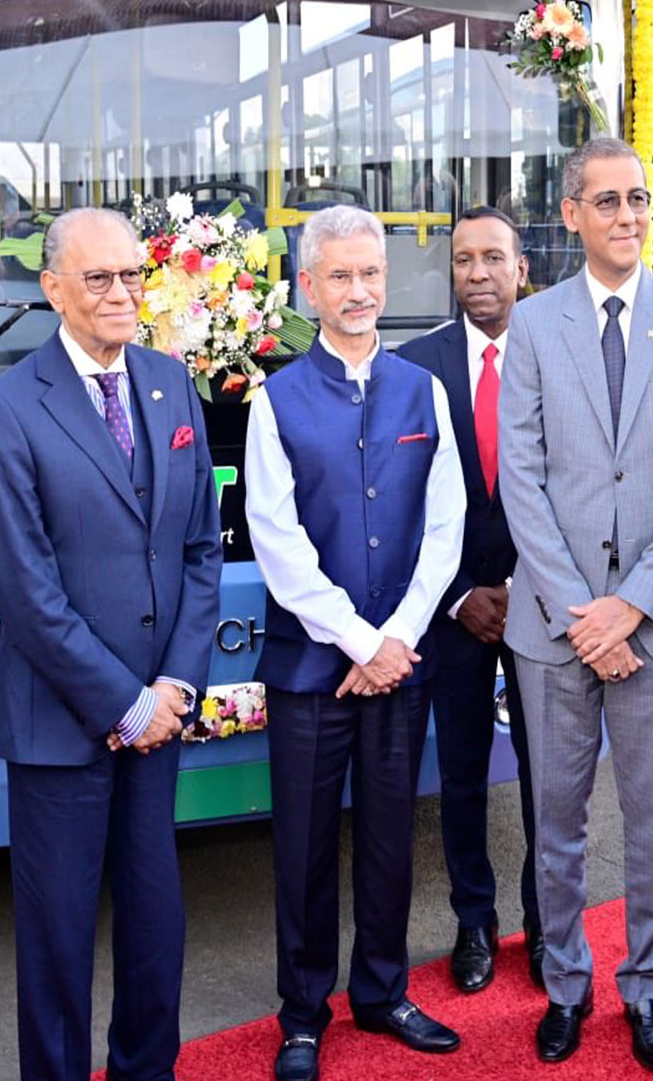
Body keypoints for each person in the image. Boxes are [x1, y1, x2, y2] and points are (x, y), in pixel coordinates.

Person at [0, 207, 224, 1081]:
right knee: (58, 941)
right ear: (53, 290)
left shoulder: (169, 381)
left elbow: (200, 548)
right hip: (60, 727)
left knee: (156, 926)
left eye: (132, 274)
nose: (123, 293)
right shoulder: (8, 406)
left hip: (161, 715)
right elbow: (26, 591)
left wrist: (177, 688)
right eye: (100, 278)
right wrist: (125, 702)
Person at [498, 136, 653, 1072]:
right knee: (555, 825)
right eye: (607, 202)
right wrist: (579, 613)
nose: (628, 216)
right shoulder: (536, 324)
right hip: (555, 633)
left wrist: (629, 606)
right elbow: (521, 479)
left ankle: (646, 989)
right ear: (571, 216)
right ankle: (565, 985)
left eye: (639, 199)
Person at [243, 204, 467, 1081]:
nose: (359, 291)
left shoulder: (424, 392)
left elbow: (443, 524)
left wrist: (398, 639)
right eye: (339, 276)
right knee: (302, 848)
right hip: (311, 670)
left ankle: (381, 992)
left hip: (400, 662)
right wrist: (356, 639)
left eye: (370, 273)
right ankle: (303, 1014)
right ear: (307, 287)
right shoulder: (277, 401)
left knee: (387, 838)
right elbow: (277, 540)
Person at [397, 205, 544, 994]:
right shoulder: (415, 369)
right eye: (463, 260)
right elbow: (401, 500)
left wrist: (527, 588)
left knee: (545, 774)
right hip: (453, 609)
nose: (477, 273)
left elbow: (580, 485)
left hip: (543, 603)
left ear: (522, 268)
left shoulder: (559, 355)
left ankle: (547, 925)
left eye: (493, 257)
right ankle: (474, 923)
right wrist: (457, 597)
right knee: (457, 773)